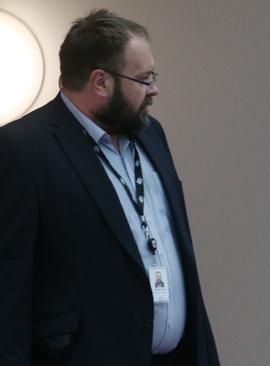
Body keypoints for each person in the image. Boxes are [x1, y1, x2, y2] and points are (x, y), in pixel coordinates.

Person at [0, 9, 220, 366]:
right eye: (144, 78)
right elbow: (8, 291)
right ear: (101, 82)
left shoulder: (152, 134)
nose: (155, 89)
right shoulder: (23, 150)